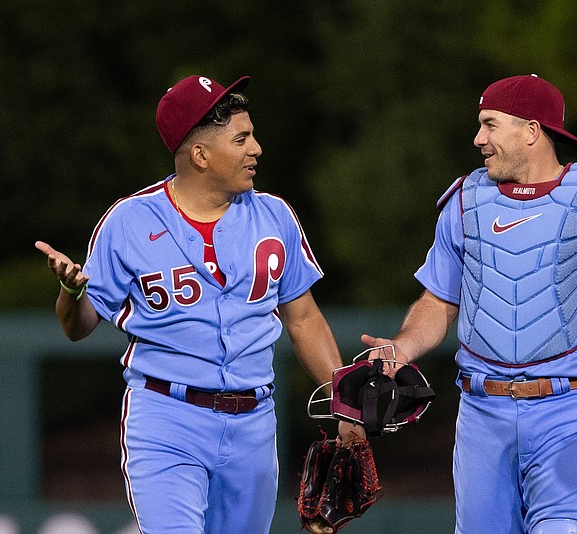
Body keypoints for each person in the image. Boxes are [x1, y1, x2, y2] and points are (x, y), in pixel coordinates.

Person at [35, 73, 361, 533]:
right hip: (166, 418)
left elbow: (304, 318)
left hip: (253, 422)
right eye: (242, 138)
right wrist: (71, 294)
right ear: (201, 154)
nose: (256, 149)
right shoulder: (130, 221)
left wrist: (344, 402)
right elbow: (79, 324)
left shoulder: (274, 215)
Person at [361, 74, 577, 534]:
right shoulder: (464, 202)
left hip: (569, 409)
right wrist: (402, 348)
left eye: (490, 124)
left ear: (531, 130)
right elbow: (437, 302)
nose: (478, 139)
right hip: (483, 411)